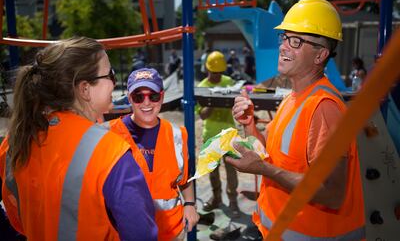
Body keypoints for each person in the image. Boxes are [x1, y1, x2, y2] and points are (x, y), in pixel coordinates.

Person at [228, 0, 365, 239]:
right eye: (285, 37)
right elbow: (270, 155)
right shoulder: (295, 97)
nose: (283, 46)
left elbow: (332, 193)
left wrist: (264, 170)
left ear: (320, 55)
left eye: (296, 41)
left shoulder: (324, 107)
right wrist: (249, 123)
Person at [0, 37, 158, 240]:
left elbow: (17, 220)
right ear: (84, 89)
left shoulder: (16, 140)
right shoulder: (109, 151)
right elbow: (142, 234)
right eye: (109, 74)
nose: (115, 81)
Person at [105, 67, 199, 240]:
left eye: (153, 96)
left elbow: (184, 180)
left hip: (171, 231)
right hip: (125, 234)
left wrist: (190, 204)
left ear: (162, 96)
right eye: (138, 97)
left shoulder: (177, 134)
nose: (146, 103)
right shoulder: (109, 135)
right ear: (129, 98)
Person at [196, 51, 241, 218]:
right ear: (207, 69)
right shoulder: (202, 87)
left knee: (231, 171)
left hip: (228, 135)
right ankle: (216, 198)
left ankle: (233, 201)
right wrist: (213, 102)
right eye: (214, 73)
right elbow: (202, 115)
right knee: (212, 170)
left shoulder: (229, 83)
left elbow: (237, 106)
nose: (216, 76)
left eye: (219, 73)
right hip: (211, 136)